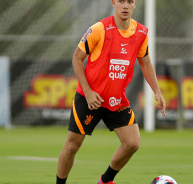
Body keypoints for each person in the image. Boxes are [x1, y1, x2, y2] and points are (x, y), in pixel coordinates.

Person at [56, 0, 166, 184]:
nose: (125, 5)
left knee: (132, 143)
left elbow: (145, 62)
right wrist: (89, 92)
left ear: (135, 4)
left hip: (116, 100)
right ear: (114, 3)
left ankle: (105, 181)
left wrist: (157, 91)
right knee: (72, 146)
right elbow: (76, 59)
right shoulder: (99, 29)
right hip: (90, 98)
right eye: (121, 1)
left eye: (129, 1)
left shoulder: (141, 33)